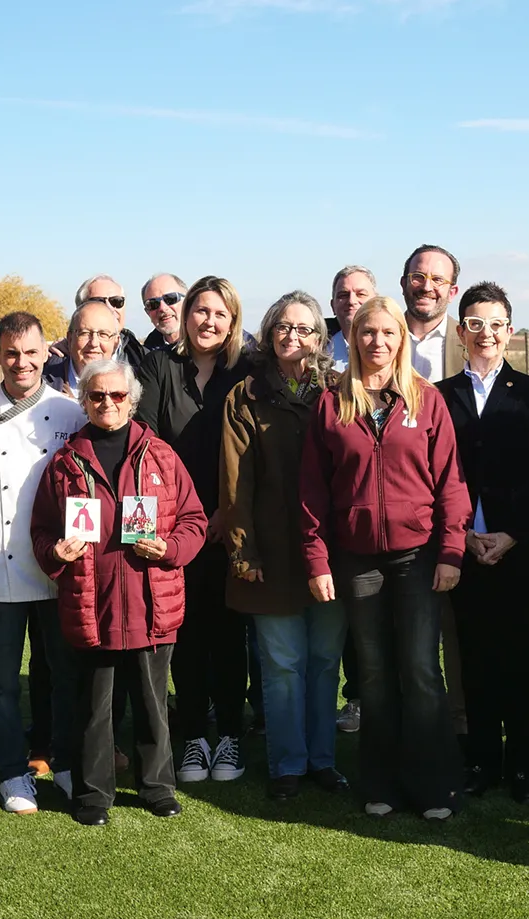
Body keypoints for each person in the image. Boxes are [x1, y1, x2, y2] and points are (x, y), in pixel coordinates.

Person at [300, 295, 470, 820]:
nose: (377, 342)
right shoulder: (331, 405)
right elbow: (313, 493)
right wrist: (317, 560)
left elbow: (451, 485)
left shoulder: (426, 401)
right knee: (372, 674)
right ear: (352, 339)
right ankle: (381, 783)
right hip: (357, 561)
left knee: (420, 669)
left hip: (419, 558)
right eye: (367, 333)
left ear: (401, 338)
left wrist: (451, 552)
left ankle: (433, 786)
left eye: (388, 333)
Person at [30, 360, 208, 825]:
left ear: (132, 400)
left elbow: (194, 522)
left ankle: (156, 787)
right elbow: (42, 530)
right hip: (93, 603)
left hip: (152, 602)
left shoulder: (162, 457)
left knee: (152, 703)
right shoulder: (65, 463)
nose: (107, 404)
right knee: (95, 707)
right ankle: (93, 794)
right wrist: (57, 552)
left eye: (117, 396)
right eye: (97, 396)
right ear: (84, 401)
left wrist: (169, 548)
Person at [221, 291, 349, 800]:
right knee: (282, 666)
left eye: (304, 329)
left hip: (330, 556)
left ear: (320, 338)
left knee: (323, 663)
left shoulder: (339, 392)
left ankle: (323, 761)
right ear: (270, 333)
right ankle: (287, 765)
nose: (293, 336)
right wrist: (242, 549)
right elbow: (235, 483)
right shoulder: (246, 396)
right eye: (283, 327)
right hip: (269, 554)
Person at [0, 312, 86, 814]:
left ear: (47, 353)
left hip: (57, 571)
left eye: (31, 352)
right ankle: (13, 773)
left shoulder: (70, 411)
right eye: (12, 353)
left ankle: (61, 762)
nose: (22, 362)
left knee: (62, 675)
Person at [437, 283, 529, 804]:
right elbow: (434, 475)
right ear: (462, 332)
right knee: (476, 658)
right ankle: (481, 760)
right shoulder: (437, 397)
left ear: (510, 330)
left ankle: (525, 765)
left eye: (495, 323)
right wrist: (461, 534)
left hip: (520, 548)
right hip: (464, 547)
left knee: (521, 658)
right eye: (474, 323)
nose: (485, 333)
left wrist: (513, 533)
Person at [136, 276, 254, 783]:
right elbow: (146, 442)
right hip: (175, 526)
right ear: (186, 317)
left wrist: (225, 516)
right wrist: (177, 523)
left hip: (230, 526)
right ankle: (194, 737)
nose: (209, 321)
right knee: (182, 634)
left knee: (228, 633)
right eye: (201, 311)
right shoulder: (160, 366)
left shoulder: (248, 372)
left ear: (232, 322)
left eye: (219, 314)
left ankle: (229, 732)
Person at [398, 244, 468, 740]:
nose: (427, 285)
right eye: (418, 276)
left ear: (453, 290)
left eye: (437, 279)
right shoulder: (375, 337)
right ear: (403, 281)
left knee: (459, 633)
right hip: (395, 517)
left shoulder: (471, 342)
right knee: (405, 638)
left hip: (457, 507)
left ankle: (461, 728)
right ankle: (408, 728)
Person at [326, 265, 378, 730]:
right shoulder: (317, 345)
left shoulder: (390, 342)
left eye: (360, 292)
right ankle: (353, 696)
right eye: (343, 294)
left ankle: (373, 697)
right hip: (334, 498)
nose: (351, 300)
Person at [44, 299, 121, 395]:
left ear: (116, 342)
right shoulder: (41, 381)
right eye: (85, 333)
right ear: (70, 338)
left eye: (103, 334)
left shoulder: (130, 385)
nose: (94, 343)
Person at [328, 265, 377, 373]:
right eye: (343, 295)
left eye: (361, 294)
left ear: (376, 302)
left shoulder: (389, 346)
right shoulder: (317, 348)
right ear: (333, 305)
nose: (351, 301)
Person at [141, 273, 188, 354]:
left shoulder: (210, 346)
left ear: (187, 301)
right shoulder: (145, 357)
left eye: (170, 298)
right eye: (153, 304)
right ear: (147, 312)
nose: (162, 308)